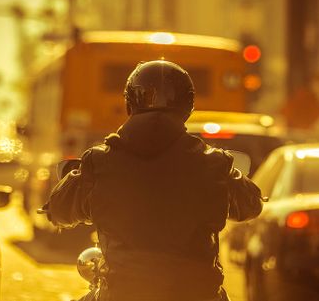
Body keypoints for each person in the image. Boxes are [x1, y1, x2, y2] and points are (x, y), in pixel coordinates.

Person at [45, 60, 263, 301]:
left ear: (129, 104)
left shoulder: (100, 162)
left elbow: (58, 210)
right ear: (188, 106)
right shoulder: (214, 164)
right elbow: (251, 205)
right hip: (198, 295)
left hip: (121, 294)